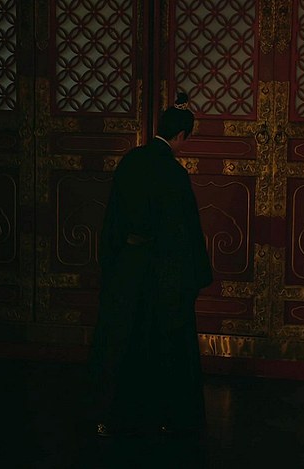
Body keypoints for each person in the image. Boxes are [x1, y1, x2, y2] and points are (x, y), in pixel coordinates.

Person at [88, 92, 213, 437]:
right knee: (159, 342)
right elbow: (184, 232)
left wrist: (112, 263)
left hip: (128, 266)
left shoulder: (130, 161)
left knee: (121, 339)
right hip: (160, 273)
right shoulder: (174, 173)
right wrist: (193, 275)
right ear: (181, 135)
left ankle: (110, 416)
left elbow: (113, 218)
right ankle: (160, 418)